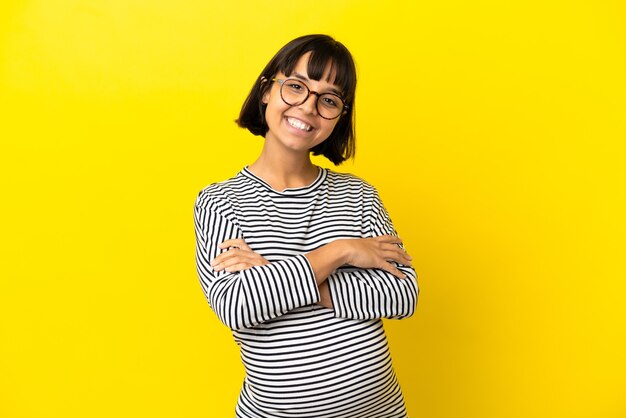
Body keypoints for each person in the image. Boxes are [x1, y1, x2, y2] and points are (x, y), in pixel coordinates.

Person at [194, 34, 419, 418]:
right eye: (296, 86)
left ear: (339, 116)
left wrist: (274, 277)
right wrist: (342, 251)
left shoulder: (359, 195)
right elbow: (236, 305)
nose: (309, 107)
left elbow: (402, 294)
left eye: (328, 99)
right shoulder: (220, 202)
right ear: (267, 91)